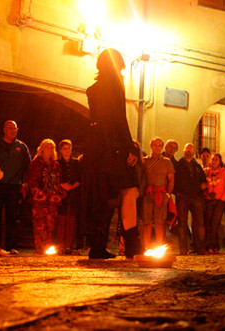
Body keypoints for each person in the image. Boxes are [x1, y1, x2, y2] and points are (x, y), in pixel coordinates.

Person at [85, 48, 143, 258]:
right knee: (129, 191)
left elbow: (98, 119)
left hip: (96, 146)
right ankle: (132, 245)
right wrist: (129, 147)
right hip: (114, 146)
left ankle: (97, 246)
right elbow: (119, 118)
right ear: (117, 65)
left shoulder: (92, 89)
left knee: (102, 197)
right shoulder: (116, 85)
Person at [0, 120, 31, 255]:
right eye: (9, 128)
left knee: (13, 217)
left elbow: (28, 167)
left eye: (14, 128)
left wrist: (25, 184)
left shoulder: (22, 147)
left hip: (15, 185)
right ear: (4, 129)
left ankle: (12, 246)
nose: (12, 130)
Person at [26, 139, 66, 255]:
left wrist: (60, 194)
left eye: (51, 147)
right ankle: (39, 248)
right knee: (40, 225)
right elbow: (32, 182)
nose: (49, 150)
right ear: (42, 149)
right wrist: (41, 194)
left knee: (50, 225)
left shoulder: (56, 165)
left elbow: (59, 181)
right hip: (40, 200)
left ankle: (47, 248)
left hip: (53, 201)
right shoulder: (36, 163)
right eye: (47, 147)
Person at [141, 137, 175, 249]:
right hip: (148, 194)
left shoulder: (167, 162)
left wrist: (168, 194)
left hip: (161, 194)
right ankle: (146, 248)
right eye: (155, 145)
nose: (157, 148)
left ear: (162, 147)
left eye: (159, 145)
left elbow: (171, 179)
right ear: (151, 146)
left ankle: (159, 248)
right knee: (147, 222)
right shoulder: (144, 161)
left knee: (160, 222)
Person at [174, 143, 207, 255]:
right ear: (183, 151)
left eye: (191, 149)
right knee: (182, 224)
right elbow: (173, 180)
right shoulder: (178, 165)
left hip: (196, 197)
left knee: (199, 224)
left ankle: (200, 248)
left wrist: (203, 186)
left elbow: (204, 180)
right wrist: (177, 192)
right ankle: (183, 249)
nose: (188, 151)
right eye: (187, 148)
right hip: (182, 197)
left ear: (194, 152)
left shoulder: (197, 166)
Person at [203, 153, 225, 254]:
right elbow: (202, 184)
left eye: (216, 159)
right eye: (213, 159)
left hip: (219, 201)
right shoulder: (206, 171)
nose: (214, 161)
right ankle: (207, 246)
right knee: (208, 224)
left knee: (215, 223)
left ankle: (214, 246)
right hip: (208, 200)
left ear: (220, 161)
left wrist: (222, 199)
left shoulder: (224, 172)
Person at [57, 140, 82, 255]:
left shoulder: (76, 163)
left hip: (74, 194)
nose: (67, 150)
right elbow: (54, 178)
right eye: (65, 148)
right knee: (61, 220)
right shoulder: (57, 163)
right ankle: (60, 246)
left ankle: (68, 246)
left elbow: (80, 177)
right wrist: (62, 185)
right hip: (61, 194)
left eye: (69, 148)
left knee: (71, 221)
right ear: (60, 150)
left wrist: (72, 186)